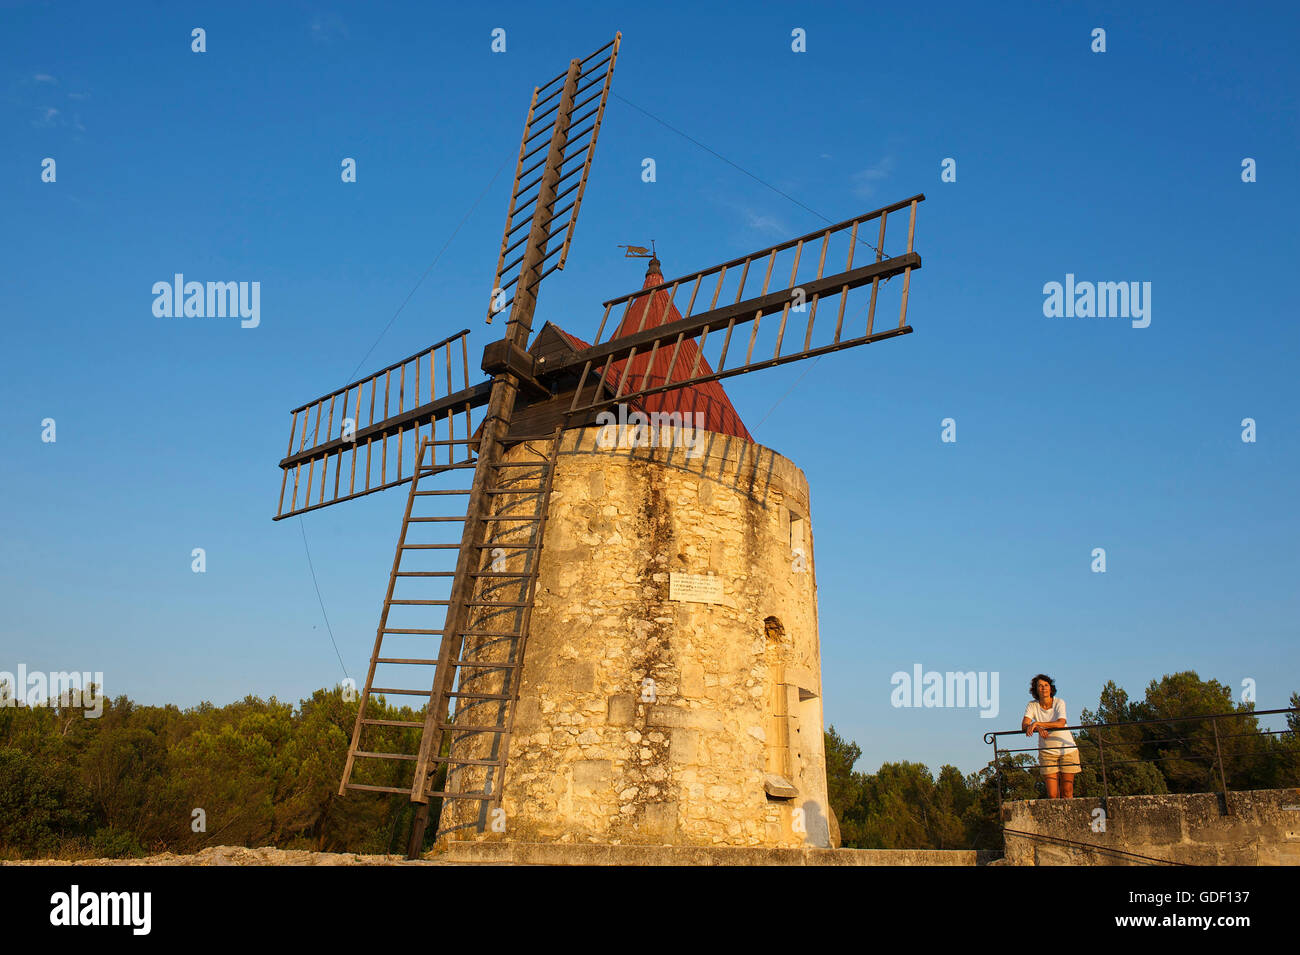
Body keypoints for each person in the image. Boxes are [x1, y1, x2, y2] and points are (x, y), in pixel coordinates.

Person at [1022, 673, 1079, 798]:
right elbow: (1025, 725)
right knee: (1053, 794)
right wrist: (1036, 727)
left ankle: (1068, 817)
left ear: (1051, 687)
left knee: (1067, 790)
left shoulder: (1059, 702)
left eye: (1046, 685)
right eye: (1040, 686)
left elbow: (1061, 723)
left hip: (1067, 749)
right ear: (1036, 689)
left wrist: (1038, 723)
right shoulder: (1032, 705)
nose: (1044, 688)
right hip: (1047, 752)